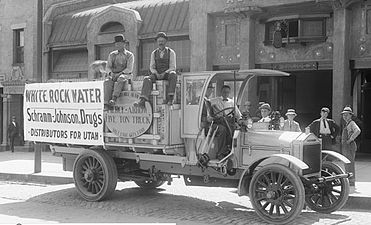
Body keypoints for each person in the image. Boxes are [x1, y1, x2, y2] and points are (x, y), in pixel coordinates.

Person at [136, 32, 177, 107]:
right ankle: (143, 100)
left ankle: (170, 98)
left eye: (162, 41)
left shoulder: (171, 52)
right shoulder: (154, 53)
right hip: (157, 74)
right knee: (147, 79)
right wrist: (156, 73)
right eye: (159, 41)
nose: (160, 43)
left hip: (166, 74)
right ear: (157, 42)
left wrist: (165, 72)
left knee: (173, 74)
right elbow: (152, 67)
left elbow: (173, 66)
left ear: (165, 41)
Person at [208, 85, 242, 160]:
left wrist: (240, 121)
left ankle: (231, 150)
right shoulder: (214, 100)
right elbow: (206, 104)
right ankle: (222, 152)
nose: (225, 93)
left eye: (227, 92)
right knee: (224, 128)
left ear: (229, 93)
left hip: (229, 121)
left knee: (235, 129)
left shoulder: (232, 102)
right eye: (224, 92)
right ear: (221, 92)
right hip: (219, 121)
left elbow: (238, 115)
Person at [104, 34, 134, 107]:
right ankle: (106, 103)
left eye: (120, 43)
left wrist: (120, 73)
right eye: (116, 44)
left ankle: (114, 98)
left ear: (124, 44)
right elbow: (108, 67)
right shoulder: (112, 55)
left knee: (121, 78)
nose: (118, 45)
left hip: (126, 74)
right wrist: (111, 73)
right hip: (114, 74)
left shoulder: (129, 55)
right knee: (107, 81)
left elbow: (129, 68)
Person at [340, 106, 361, 187]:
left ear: (350, 115)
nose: (345, 116)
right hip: (345, 146)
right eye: (343, 115)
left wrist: (350, 139)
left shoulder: (352, 123)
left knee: (350, 163)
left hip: (349, 146)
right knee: (347, 163)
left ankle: (351, 181)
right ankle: (349, 180)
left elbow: (358, 130)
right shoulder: (346, 123)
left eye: (347, 115)